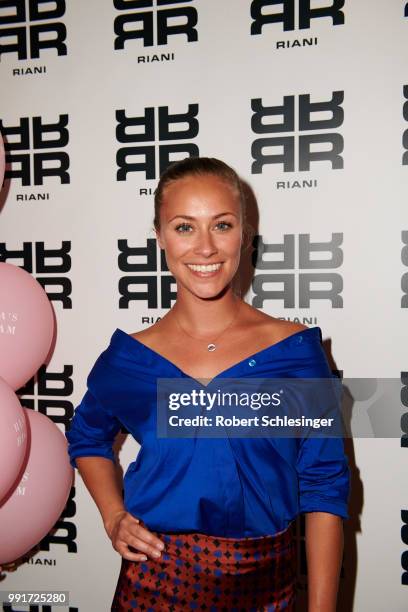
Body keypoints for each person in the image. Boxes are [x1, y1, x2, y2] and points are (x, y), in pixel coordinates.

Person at [66, 157, 350, 611]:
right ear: (158, 236)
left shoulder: (295, 352)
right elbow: (85, 437)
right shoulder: (130, 358)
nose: (205, 248)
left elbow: (324, 485)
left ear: (244, 234)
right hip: (154, 585)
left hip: (267, 589)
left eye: (221, 225)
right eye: (184, 227)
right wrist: (114, 514)